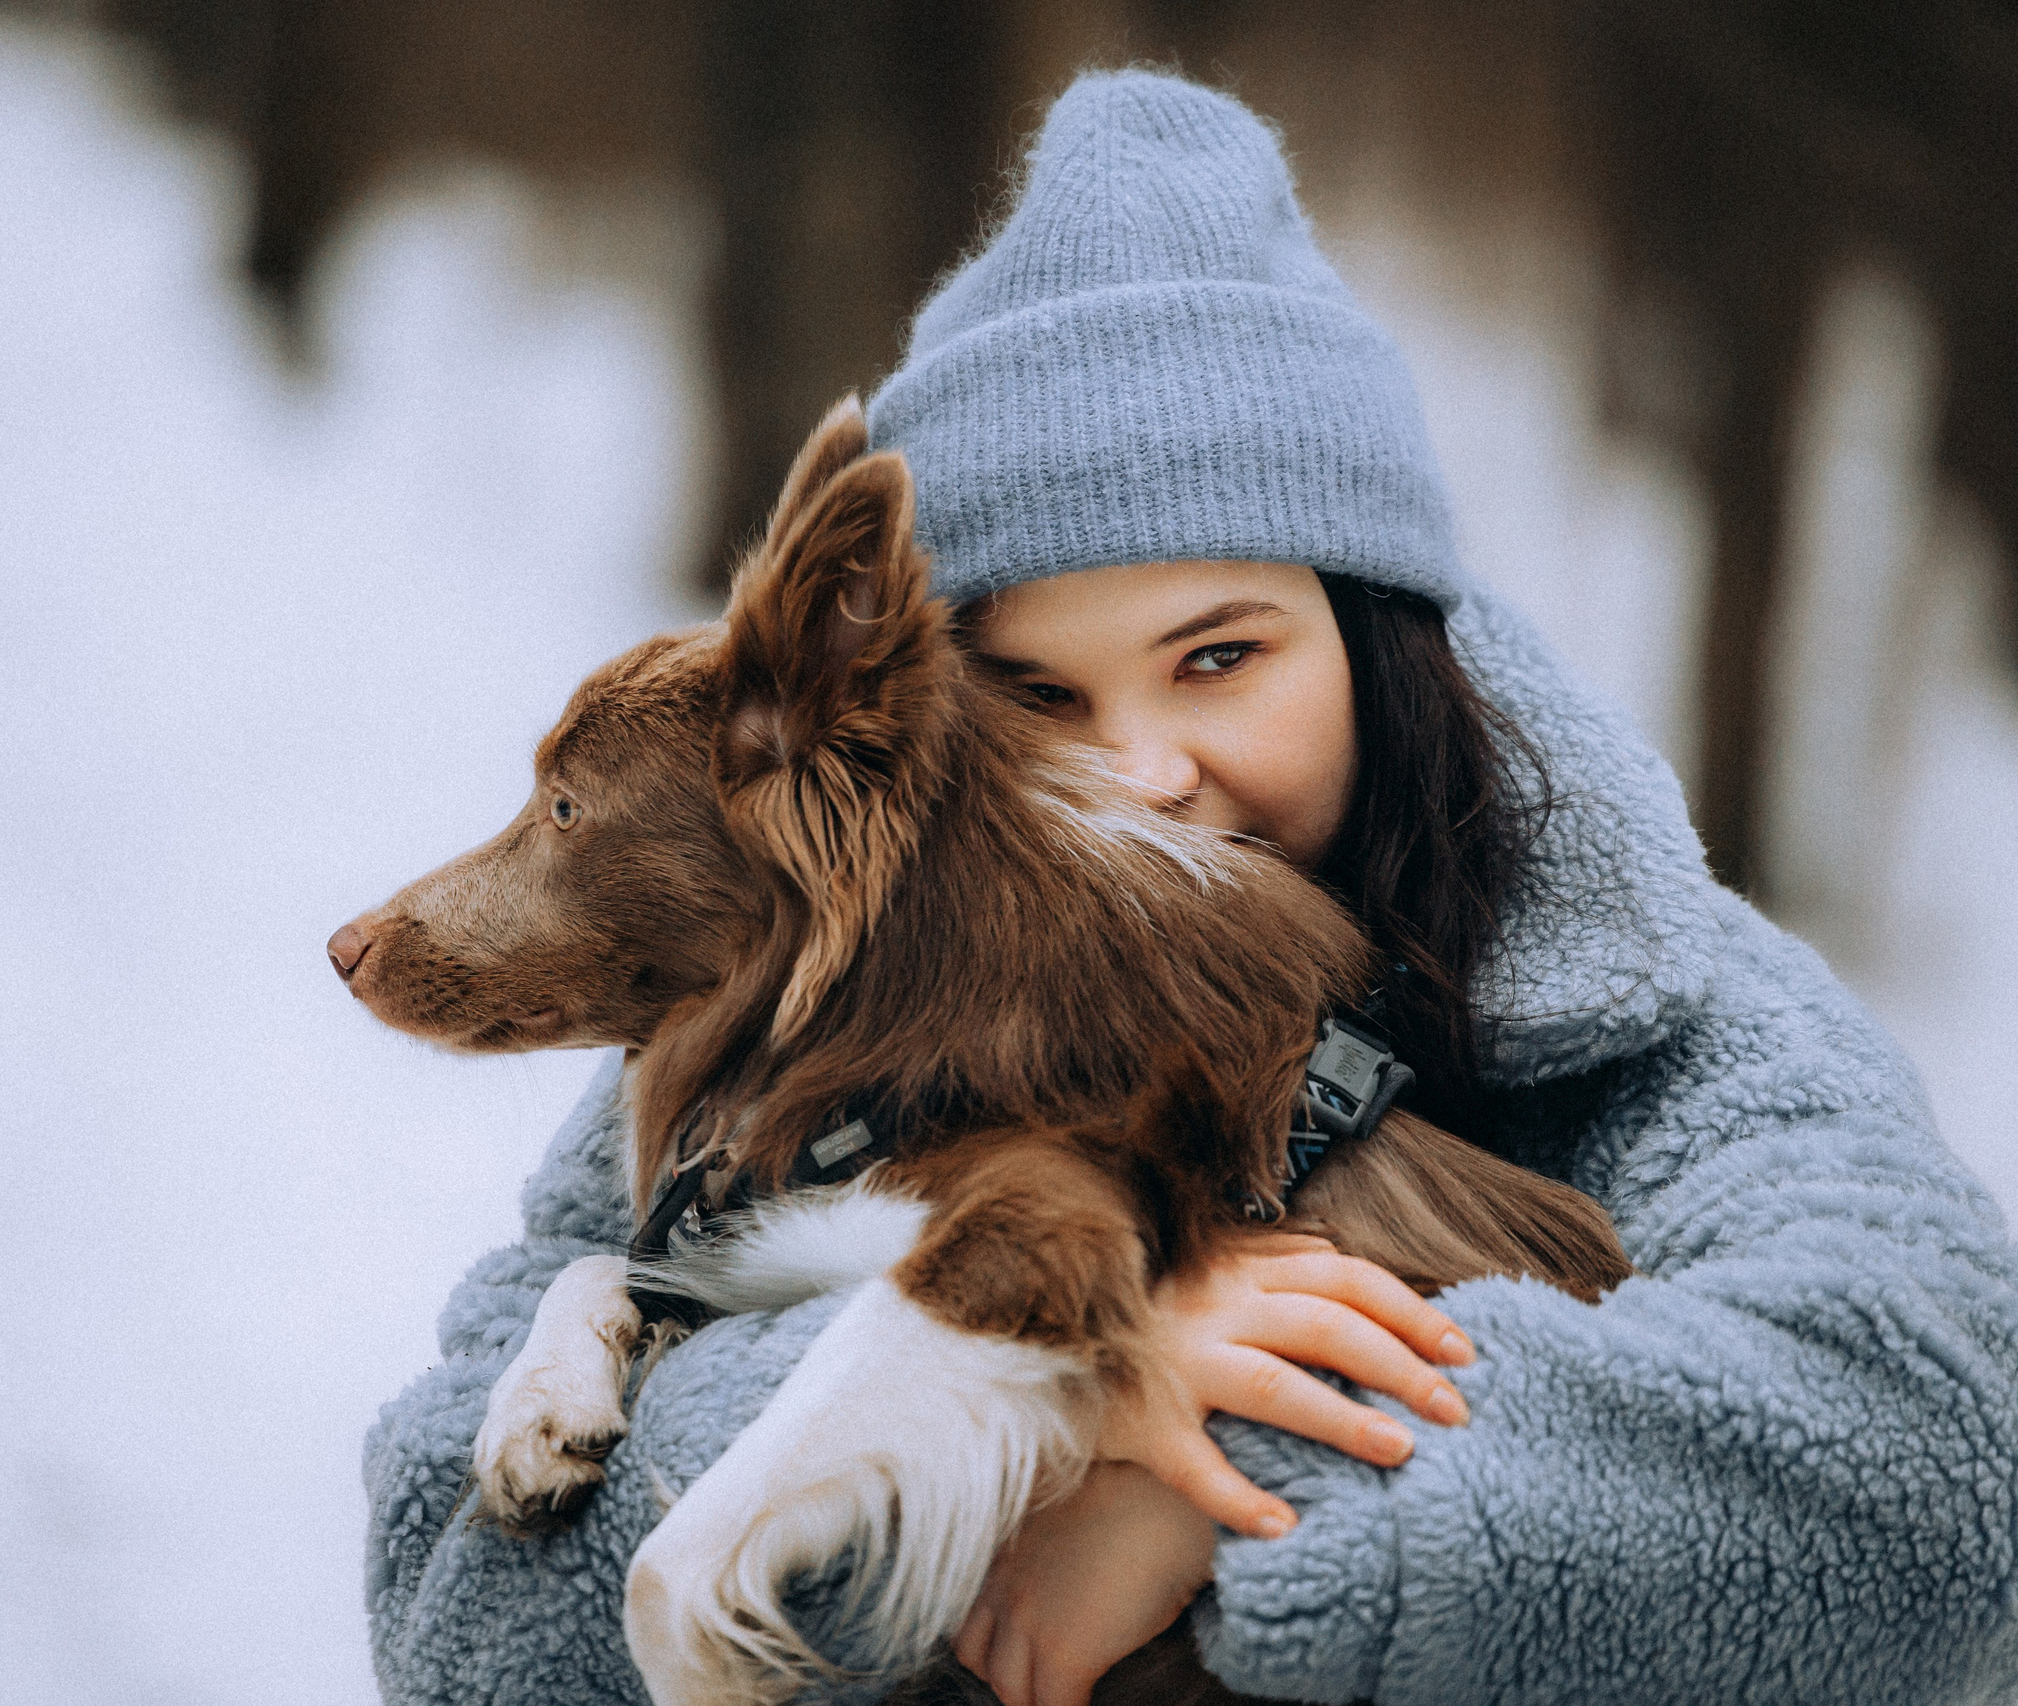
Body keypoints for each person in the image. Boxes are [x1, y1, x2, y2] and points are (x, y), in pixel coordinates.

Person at [363, 69, 2018, 1706]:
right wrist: (1034, 1415)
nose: (1147, 769)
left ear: (1376, 640)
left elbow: (1943, 1475)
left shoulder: (1641, 983)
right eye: (1039, 700)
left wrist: (1226, 1477)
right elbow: (454, 1619)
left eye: (1218, 657)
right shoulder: (765, 1029)